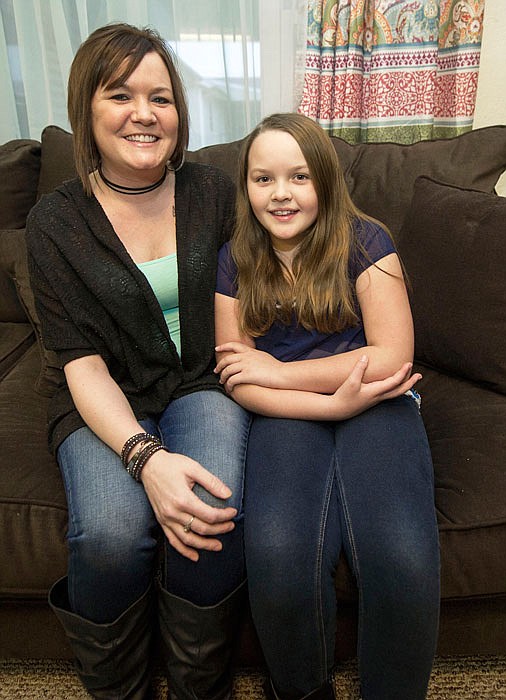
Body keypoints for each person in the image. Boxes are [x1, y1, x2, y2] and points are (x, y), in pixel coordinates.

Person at [26, 23, 250, 700]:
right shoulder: (54, 222)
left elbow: (249, 301)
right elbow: (81, 363)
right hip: (102, 393)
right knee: (113, 535)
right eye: (120, 94)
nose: (144, 114)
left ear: (180, 113)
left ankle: (195, 687)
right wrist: (144, 458)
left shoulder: (213, 193)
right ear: (87, 111)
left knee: (214, 509)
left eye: (161, 97)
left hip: (198, 383)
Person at [214, 113, 440, 700]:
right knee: (279, 552)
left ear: (327, 181)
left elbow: (390, 357)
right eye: (264, 179)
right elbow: (239, 378)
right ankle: (300, 688)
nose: (281, 193)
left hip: (378, 400)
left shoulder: (368, 241)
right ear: (247, 188)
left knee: (401, 554)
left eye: (299, 177)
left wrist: (283, 371)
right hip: (288, 411)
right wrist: (328, 406)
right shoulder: (234, 260)